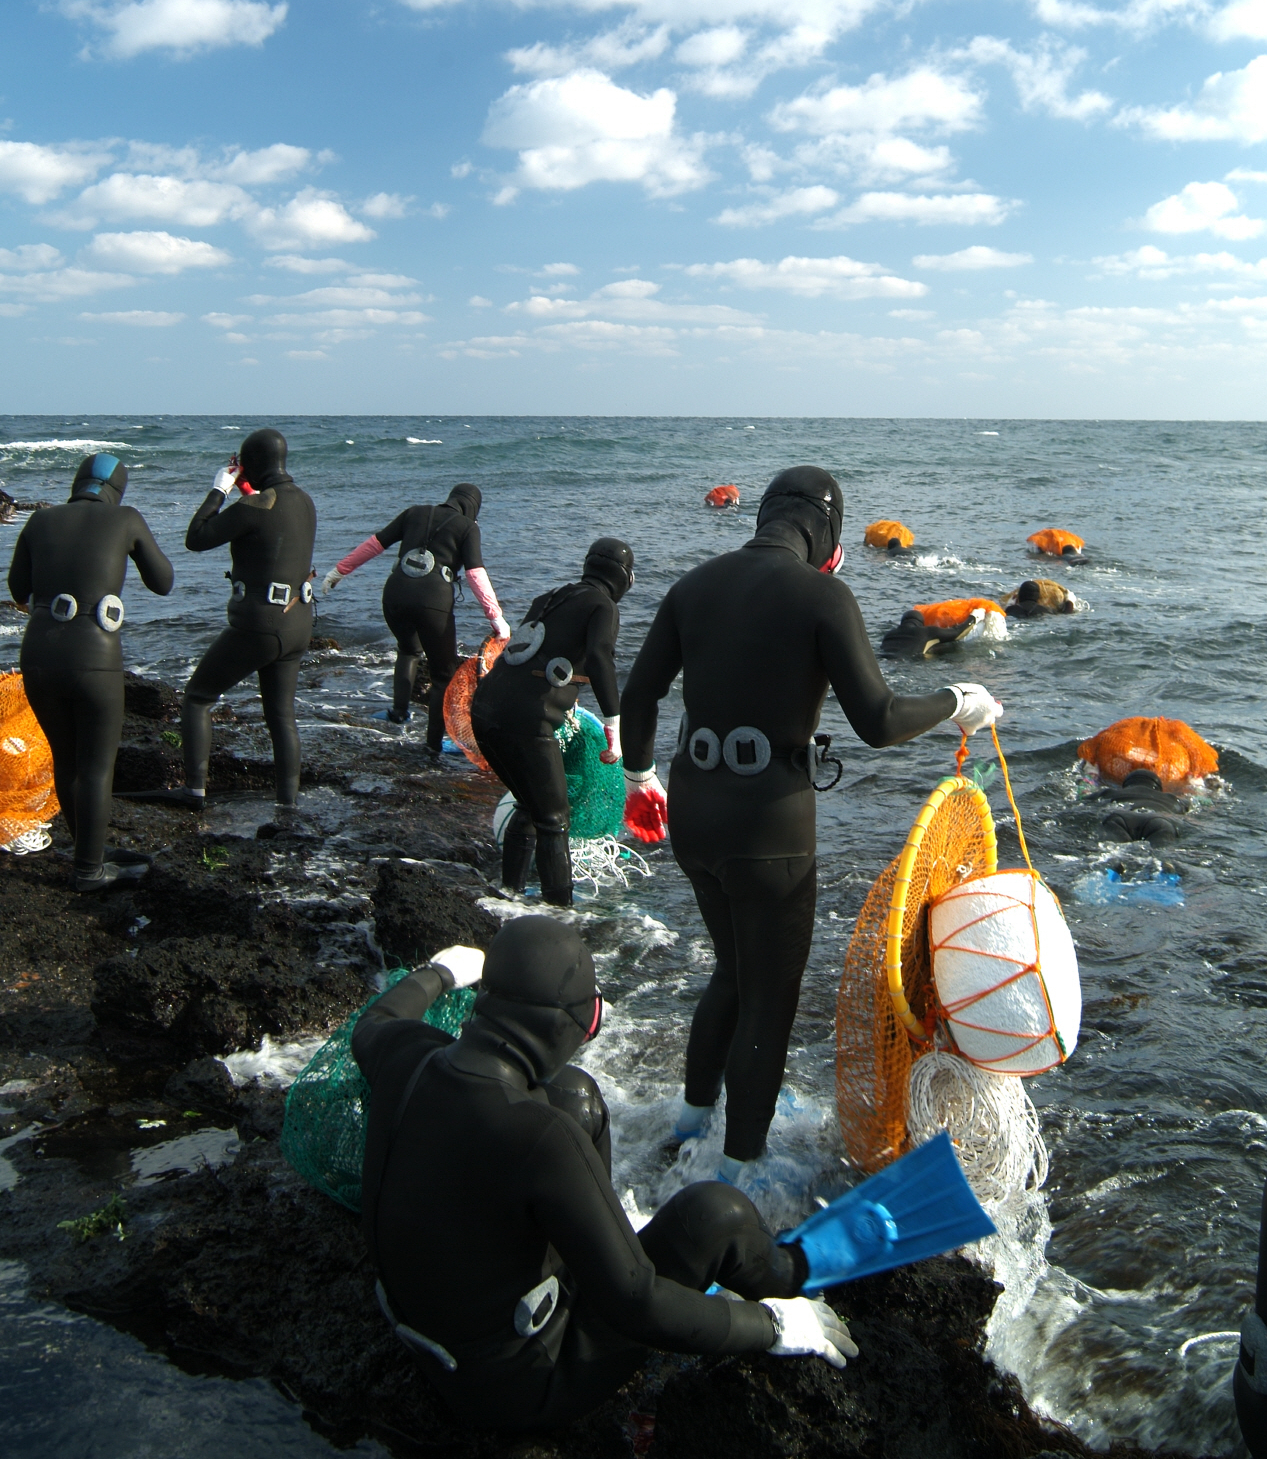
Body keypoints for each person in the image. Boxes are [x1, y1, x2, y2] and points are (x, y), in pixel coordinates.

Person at [619, 466, 1003, 1179]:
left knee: (729, 973)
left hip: (693, 813)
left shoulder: (693, 586)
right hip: (769, 824)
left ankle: (686, 1127)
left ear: (762, 516)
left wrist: (640, 781)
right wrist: (958, 698)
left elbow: (639, 693)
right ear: (826, 532)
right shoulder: (823, 594)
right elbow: (879, 721)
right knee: (768, 997)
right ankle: (734, 1177)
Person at [352, 915, 857, 1432]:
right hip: (517, 1392)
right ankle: (795, 1282)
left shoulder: (403, 1054)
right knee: (716, 1217)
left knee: (574, 1092)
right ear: (564, 1024)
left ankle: (602, 1246)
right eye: (590, 1022)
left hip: (424, 1339)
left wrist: (441, 972)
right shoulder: (542, 1138)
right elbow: (635, 1303)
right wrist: (770, 1327)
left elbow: (372, 1022)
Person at [6, 453, 173, 890]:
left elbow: (17, 588)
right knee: (96, 768)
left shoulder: (40, 521)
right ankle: (89, 871)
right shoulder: (126, 519)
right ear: (117, 490)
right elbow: (164, 581)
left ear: (77, 482)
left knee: (65, 757)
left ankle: (88, 850)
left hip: (39, 654)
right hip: (94, 654)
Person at [469, 538, 631, 907]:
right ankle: (562, 913)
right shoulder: (602, 605)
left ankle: (507, 893)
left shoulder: (548, 599)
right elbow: (600, 659)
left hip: (484, 711)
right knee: (555, 818)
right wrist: (613, 730)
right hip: (528, 721)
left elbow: (529, 655)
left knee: (531, 803)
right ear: (624, 578)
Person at [169, 428, 316, 809]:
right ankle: (288, 802)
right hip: (298, 622)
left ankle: (194, 792)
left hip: (259, 626)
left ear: (248, 465)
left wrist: (220, 488)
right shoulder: (303, 501)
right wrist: (246, 489)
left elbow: (197, 537)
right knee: (281, 715)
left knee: (198, 697)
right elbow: (269, 522)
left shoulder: (254, 506)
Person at [319, 485, 509, 748]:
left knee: (408, 650)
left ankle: (398, 713)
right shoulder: (467, 527)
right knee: (443, 675)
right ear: (473, 507)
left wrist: (339, 571)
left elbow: (374, 544)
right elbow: (475, 573)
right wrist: (496, 617)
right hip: (433, 603)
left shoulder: (414, 513)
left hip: (394, 596)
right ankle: (432, 747)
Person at [1091, 767, 1180, 846]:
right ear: (1160, 789)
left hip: (1121, 818)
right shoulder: (1173, 799)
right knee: (1161, 857)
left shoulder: (1108, 792)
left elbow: (1083, 798)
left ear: (1125, 785)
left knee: (1110, 853)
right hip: (1159, 822)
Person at [880, 607, 979, 657]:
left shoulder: (889, 635)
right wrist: (974, 617)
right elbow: (957, 633)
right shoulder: (926, 631)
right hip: (910, 663)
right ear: (921, 623)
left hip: (885, 660)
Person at [1004, 579, 1076, 619]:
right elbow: (1066, 615)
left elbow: (1004, 615)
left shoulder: (1011, 609)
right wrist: (1069, 601)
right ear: (1038, 597)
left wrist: (1009, 605)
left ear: (1019, 596)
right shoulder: (1047, 611)